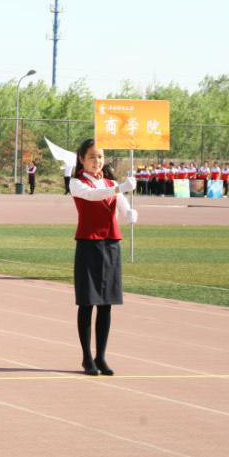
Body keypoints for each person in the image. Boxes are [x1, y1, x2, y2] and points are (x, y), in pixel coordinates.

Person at [69, 138, 137, 376]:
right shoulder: (77, 183)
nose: (96, 161)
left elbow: (122, 208)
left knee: (106, 304)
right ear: (81, 159)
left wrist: (130, 213)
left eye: (100, 157)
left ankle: (101, 356)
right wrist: (120, 188)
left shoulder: (111, 183)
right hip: (89, 244)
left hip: (111, 245)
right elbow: (94, 196)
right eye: (91, 157)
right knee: (87, 303)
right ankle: (87, 358)